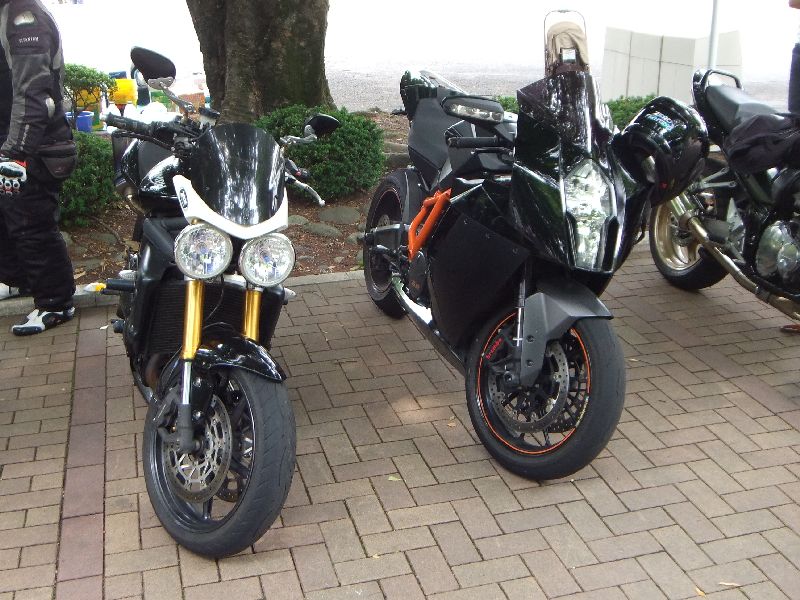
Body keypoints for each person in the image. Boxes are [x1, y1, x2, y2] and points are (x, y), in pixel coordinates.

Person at [0, 0, 76, 335]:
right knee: (7, 221)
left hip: (35, 145)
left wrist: (15, 154)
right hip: (11, 141)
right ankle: (18, 280)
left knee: (30, 224)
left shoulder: (24, 18)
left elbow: (34, 94)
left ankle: (56, 303)